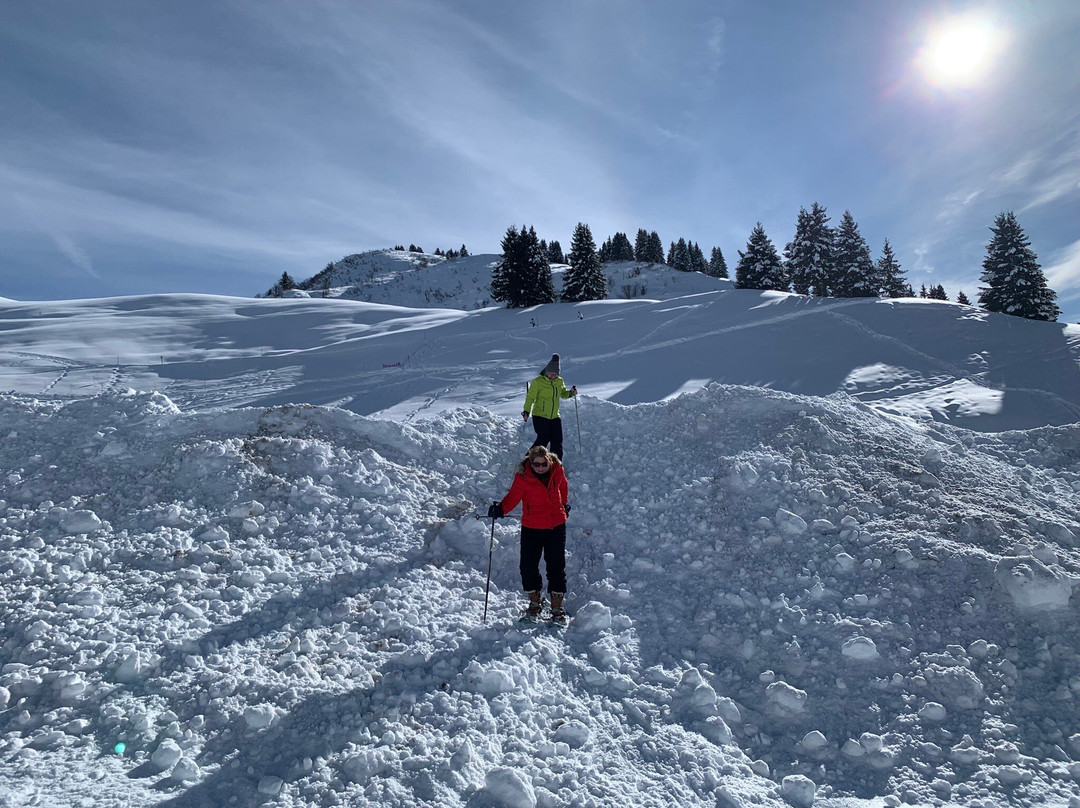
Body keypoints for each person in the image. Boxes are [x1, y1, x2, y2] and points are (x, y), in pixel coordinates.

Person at [488, 445, 570, 620]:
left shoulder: (557, 471)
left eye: (543, 464)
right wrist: (500, 508)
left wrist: (564, 504)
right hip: (532, 527)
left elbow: (563, 486)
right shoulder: (523, 478)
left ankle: (557, 605)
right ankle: (535, 601)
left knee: (556, 565)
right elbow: (513, 497)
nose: (540, 467)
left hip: (556, 525)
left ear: (549, 461)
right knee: (528, 566)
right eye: (536, 464)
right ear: (530, 463)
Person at [522, 353, 577, 461]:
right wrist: (526, 411)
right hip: (540, 415)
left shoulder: (559, 381)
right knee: (543, 438)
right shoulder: (538, 382)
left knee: (557, 441)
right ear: (547, 371)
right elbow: (530, 398)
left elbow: (563, 394)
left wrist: (571, 393)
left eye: (555, 374)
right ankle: (527, 461)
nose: (553, 376)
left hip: (555, 416)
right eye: (551, 374)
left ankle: (556, 464)